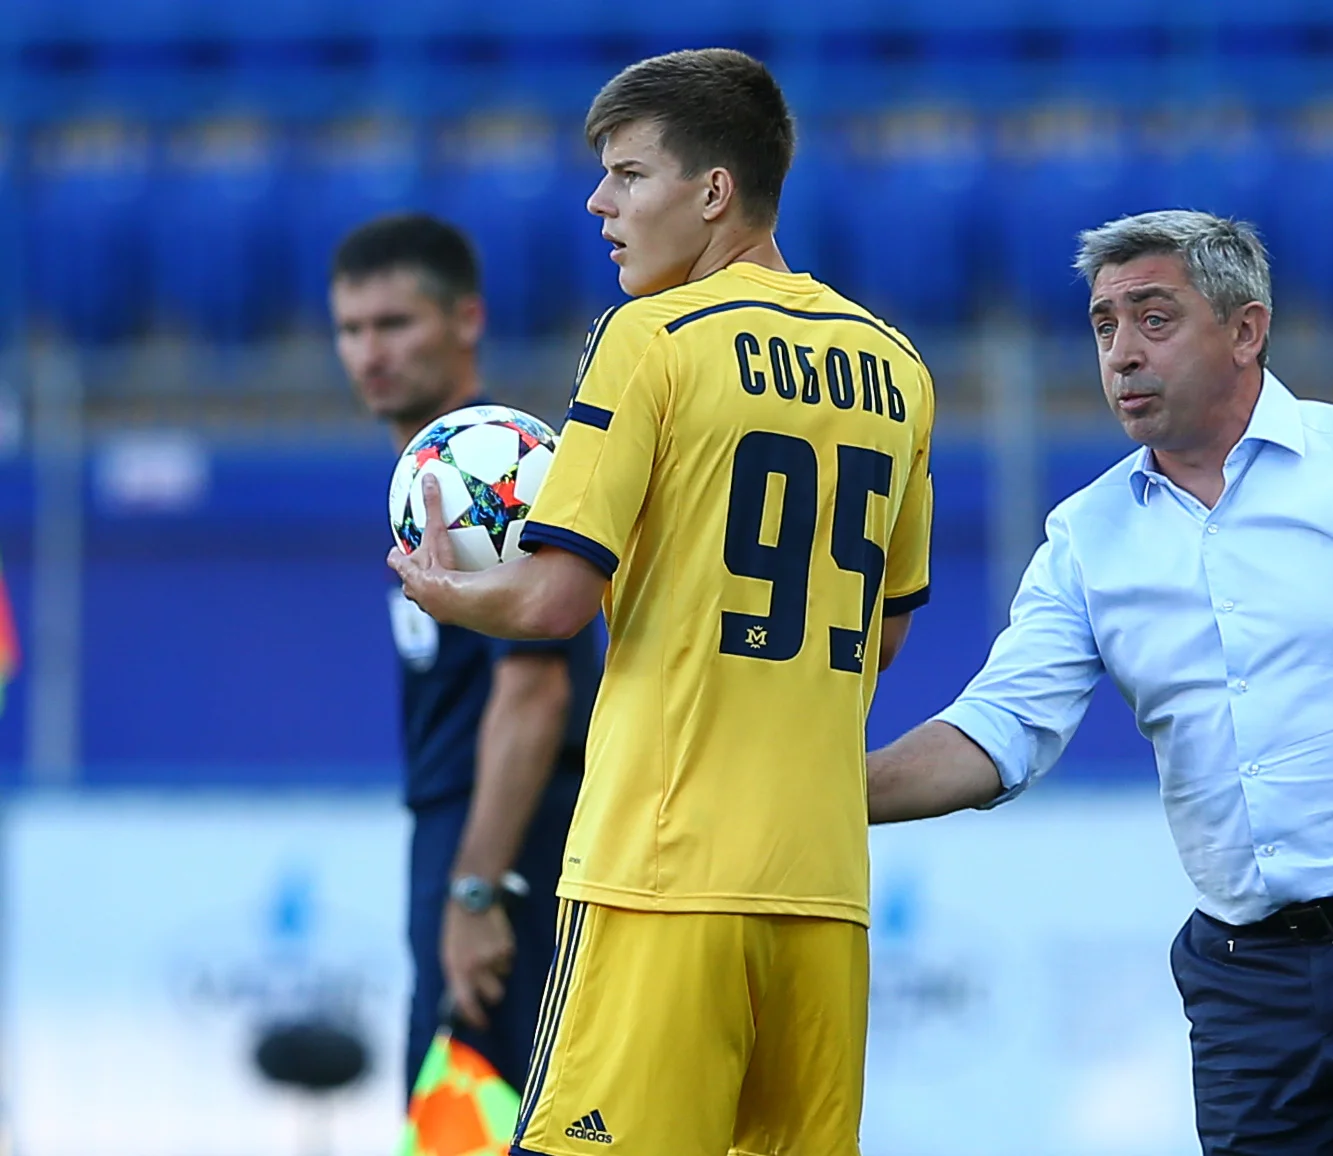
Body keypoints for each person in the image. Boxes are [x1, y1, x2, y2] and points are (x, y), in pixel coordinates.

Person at [868, 210, 1333, 1155]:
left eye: (1155, 319)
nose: (1122, 353)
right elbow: (998, 731)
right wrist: (824, 791)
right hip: (1248, 982)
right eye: (1105, 325)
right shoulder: (1087, 535)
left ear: (1247, 330)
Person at [389, 49, 935, 1156]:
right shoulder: (898, 370)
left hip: (661, 873)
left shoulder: (648, 338)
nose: (600, 203)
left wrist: (449, 591)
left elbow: (554, 602)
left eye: (629, 174)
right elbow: (884, 631)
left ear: (714, 190)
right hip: (824, 893)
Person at [329, 213, 604, 1099]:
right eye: (350, 329)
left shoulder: (498, 480)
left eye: (394, 323)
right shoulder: (424, 481)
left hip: (514, 846)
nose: (370, 352)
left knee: (486, 1117)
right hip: (464, 838)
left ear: (467, 320)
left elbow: (534, 691)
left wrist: (476, 891)